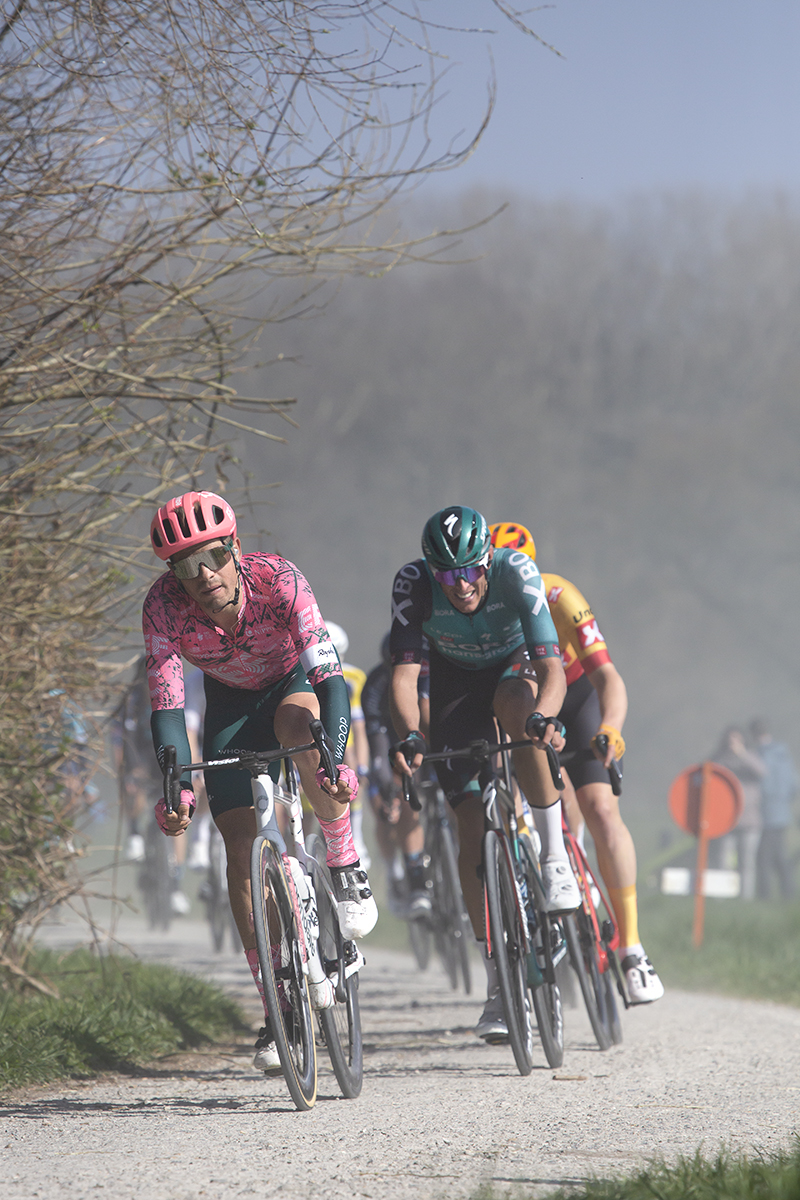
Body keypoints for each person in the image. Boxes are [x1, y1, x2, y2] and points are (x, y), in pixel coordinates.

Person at [143, 490, 377, 1072]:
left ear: (236, 548)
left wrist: (337, 756)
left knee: (298, 729)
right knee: (239, 851)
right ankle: (279, 1005)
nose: (203, 575)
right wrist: (177, 789)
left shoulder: (280, 580)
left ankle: (345, 867)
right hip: (228, 704)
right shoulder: (163, 609)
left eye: (214, 556)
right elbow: (168, 708)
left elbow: (332, 679)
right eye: (185, 565)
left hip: (293, 682)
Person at [389, 505, 579, 1043]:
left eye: (471, 570)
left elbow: (552, 668)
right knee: (468, 823)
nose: (462, 584)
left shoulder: (517, 571)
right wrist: (410, 734)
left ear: (487, 561)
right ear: (431, 571)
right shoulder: (412, 584)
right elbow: (404, 679)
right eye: (447, 575)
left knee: (519, 705)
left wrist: (545, 716)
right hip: (454, 680)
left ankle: (553, 855)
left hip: (515, 665)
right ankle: (499, 984)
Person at [489, 521, 663, 1005]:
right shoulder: (481, 611)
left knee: (603, 810)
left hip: (575, 697)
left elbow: (608, 676)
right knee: (543, 801)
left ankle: (631, 948)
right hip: (521, 703)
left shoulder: (560, 595)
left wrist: (611, 727)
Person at [362, 633, 432, 917]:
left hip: (425, 739)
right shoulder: (376, 686)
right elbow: (375, 736)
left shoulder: (429, 674)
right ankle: (405, 877)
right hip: (391, 744)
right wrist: (383, 777)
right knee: (397, 803)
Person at [325, 622, 372, 868]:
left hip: (342, 735)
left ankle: (357, 832)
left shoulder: (353, 677)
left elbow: (359, 726)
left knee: (351, 761)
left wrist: (362, 765)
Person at [709, 725, 764, 900]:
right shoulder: (720, 759)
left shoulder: (751, 757)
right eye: (730, 740)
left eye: (737, 740)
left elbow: (762, 771)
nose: (733, 744)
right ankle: (722, 898)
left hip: (750, 821)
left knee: (746, 863)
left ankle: (745, 899)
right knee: (723, 861)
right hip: (727, 820)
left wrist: (742, 754)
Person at [750, 718, 798, 900]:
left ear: (753, 734)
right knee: (779, 856)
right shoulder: (783, 753)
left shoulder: (760, 755)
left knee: (763, 857)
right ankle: (788, 894)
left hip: (767, 812)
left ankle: (764, 897)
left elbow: (763, 786)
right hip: (783, 813)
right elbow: (794, 784)